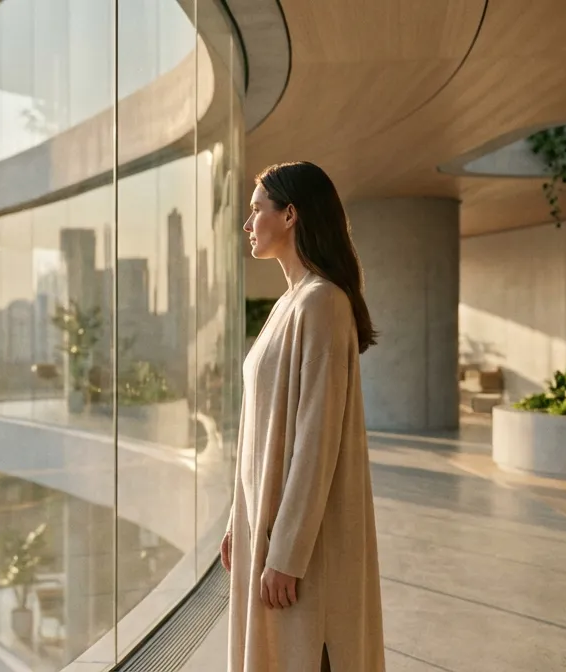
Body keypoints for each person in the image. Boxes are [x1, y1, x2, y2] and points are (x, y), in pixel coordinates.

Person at [223, 161, 384, 671]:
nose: (248, 224)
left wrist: (286, 555)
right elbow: (259, 431)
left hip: (305, 552)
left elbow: (316, 441)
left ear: (290, 214)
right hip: (268, 532)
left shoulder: (322, 304)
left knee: (308, 654)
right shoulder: (292, 303)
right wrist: (239, 520)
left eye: (256, 211)